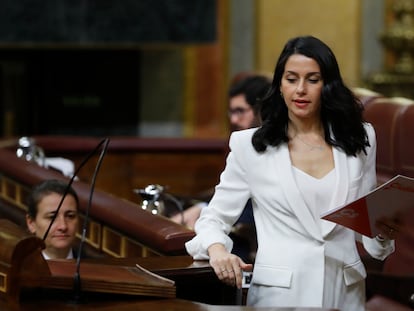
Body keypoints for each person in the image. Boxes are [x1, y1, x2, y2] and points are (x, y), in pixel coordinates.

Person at [185, 36, 396, 310]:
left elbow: (365, 227)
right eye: (291, 78)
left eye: (312, 79)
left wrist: (383, 232)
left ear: (327, 85)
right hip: (279, 297)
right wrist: (217, 250)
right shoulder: (249, 146)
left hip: (345, 294)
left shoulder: (360, 138)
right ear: (280, 85)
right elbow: (213, 218)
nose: (300, 89)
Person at [26, 179, 80, 260]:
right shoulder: (16, 267)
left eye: (70, 216)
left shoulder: (95, 266)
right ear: (31, 223)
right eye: (52, 217)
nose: (63, 226)